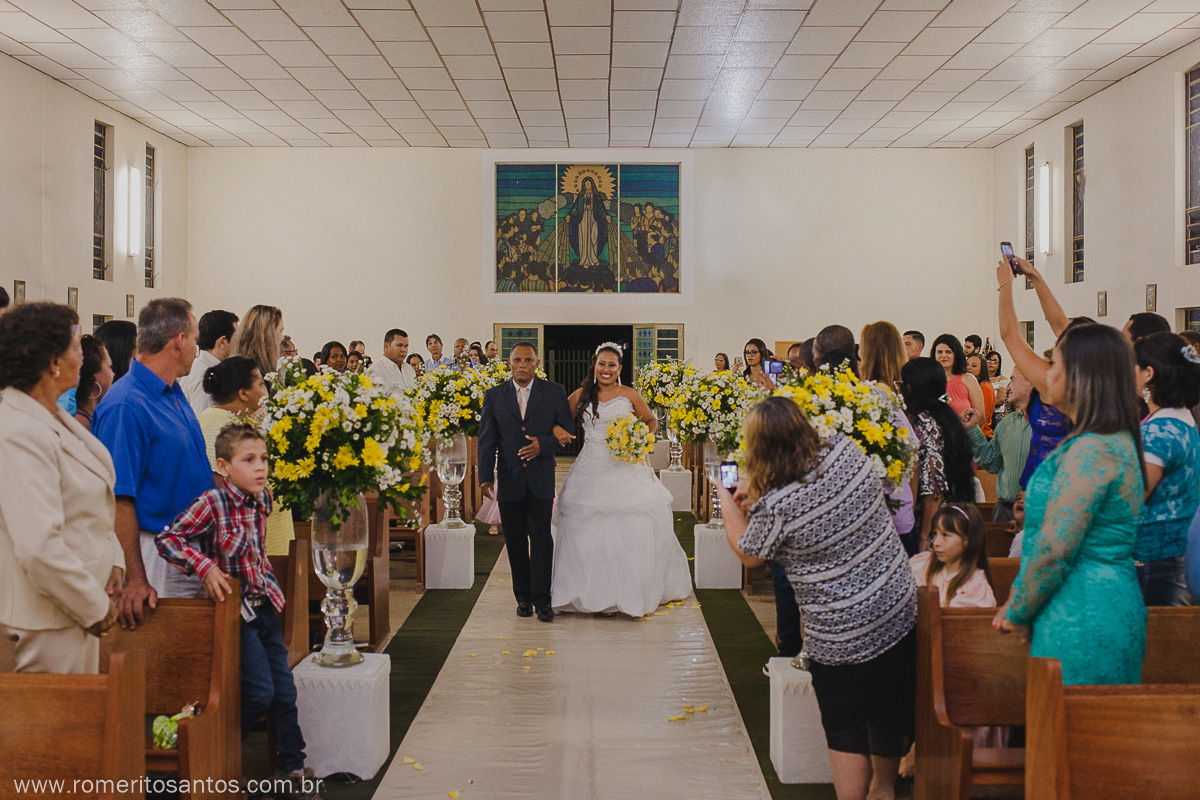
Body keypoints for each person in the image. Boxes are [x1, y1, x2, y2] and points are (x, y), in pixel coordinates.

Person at [721, 397, 917, 800]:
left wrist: (727, 500)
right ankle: (884, 788)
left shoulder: (779, 504)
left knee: (845, 725)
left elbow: (749, 552)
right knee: (886, 708)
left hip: (841, 629)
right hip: (895, 605)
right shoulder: (846, 450)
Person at [156, 424, 319, 799]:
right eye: (249, 460)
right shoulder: (212, 502)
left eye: (264, 459)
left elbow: (253, 553)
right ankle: (217, 751)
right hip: (234, 614)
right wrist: (205, 567)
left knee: (283, 689)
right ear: (224, 466)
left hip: (263, 606)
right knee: (259, 691)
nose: (261, 467)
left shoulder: (261, 499)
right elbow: (170, 538)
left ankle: (293, 768)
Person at [996, 323, 1147, 685]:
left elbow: (1055, 546)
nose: (1048, 374)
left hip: (1083, 610)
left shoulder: (1093, 449)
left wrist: (1018, 609)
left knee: (1071, 733)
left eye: (1055, 364)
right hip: (1086, 601)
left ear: (1081, 377)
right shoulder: (1105, 439)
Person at [0, 303, 122, 673]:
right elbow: (38, 546)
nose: (82, 356)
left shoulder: (53, 416)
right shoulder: (18, 430)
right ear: (53, 360)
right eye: (75, 348)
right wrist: (94, 607)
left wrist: (114, 560)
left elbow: (91, 502)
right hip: (49, 618)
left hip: (74, 608)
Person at [93, 298, 214, 628]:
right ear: (179, 340)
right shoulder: (126, 405)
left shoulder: (173, 392)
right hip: (158, 554)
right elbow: (119, 498)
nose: (195, 350)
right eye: (195, 341)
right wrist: (135, 578)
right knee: (171, 659)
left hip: (191, 548)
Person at [552, 344, 692, 618]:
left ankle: (628, 592)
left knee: (629, 525)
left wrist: (641, 439)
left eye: (612, 365)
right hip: (590, 468)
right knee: (586, 526)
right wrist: (557, 429)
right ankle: (588, 591)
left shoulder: (629, 394)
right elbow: (559, 420)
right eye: (602, 364)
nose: (606, 369)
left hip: (626, 465)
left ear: (620, 369)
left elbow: (651, 421)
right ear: (594, 365)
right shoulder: (581, 395)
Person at [478, 342, 575, 623]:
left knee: (542, 540)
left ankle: (543, 600)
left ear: (537, 363)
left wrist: (542, 445)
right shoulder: (494, 396)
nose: (522, 364)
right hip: (509, 478)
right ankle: (523, 599)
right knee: (516, 542)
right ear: (509, 363)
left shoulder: (553, 392)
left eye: (528, 360)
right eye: (517, 360)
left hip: (540, 478)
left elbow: (568, 431)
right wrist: (485, 477)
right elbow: (487, 440)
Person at [995, 256, 1078, 487]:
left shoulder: (1056, 385)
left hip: (1047, 484)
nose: (1058, 336)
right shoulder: (1099, 382)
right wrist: (1035, 276)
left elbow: (1010, 335)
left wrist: (1005, 285)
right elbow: (1059, 324)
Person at [1132, 332, 1200, 606]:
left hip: (1156, 560)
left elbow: (1133, 498)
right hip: (1178, 552)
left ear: (1148, 373)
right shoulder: (1182, 419)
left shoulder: (1159, 431)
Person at [901, 357, 977, 548]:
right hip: (953, 518)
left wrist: (924, 536)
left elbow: (934, 485)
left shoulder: (925, 422)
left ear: (912, 387)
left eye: (903, 384)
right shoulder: (945, 416)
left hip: (935, 527)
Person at [860, 322, 918, 548]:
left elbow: (910, 454)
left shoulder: (875, 394)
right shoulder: (892, 392)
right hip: (898, 506)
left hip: (884, 511)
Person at [963, 369, 1033, 523]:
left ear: (1031, 382)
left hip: (1041, 513)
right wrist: (973, 429)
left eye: (1013, 380)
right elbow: (993, 463)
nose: (1007, 387)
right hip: (1006, 511)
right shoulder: (1008, 422)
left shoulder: (1055, 425)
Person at [910, 503, 994, 607]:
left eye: (945, 535)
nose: (936, 542)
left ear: (968, 540)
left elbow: (956, 620)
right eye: (935, 534)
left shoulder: (974, 585)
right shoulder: (922, 564)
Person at [195, 357, 267, 470]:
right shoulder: (216, 424)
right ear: (243, 394)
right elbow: (218, 478)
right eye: (261, 384)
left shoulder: (237, 419)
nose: (264, 391)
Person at [181, 310, 238, 415]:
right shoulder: (206, 376)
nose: (239, 344)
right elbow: (203, 423)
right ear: (223, 342)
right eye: (236, 338)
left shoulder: (196, 366)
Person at [932, 334, 985, 419]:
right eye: (939, 352)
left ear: (956, 354)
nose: (943, 356)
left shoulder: (968, 379)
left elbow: (980, 416)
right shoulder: (929, 380)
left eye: (948, 352)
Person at [73, 335, 114, 433]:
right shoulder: (82, 424)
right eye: (109, 367)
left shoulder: (89, 417)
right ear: (96, 375)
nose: (113, 374)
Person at [231, 305, 284, 379]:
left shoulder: (237, 366)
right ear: (269, 335)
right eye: (281, 331)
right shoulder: (253, 374)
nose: (282, 338)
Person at [375, 329, 417, 397]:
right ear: (386, 346)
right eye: (399, 345)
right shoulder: (375, 371)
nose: (404, 350)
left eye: (406, 346)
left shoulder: (409, 369)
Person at [966, 353, 995, 437]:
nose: (969, 368)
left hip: (981, 434)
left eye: (974, 366)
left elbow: (983, 417)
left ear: (982, 368)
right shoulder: (972, 385)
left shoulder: (985, 387)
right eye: (967, 364)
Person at [987, 351, 1010, 425]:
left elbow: (1001, 400)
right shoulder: (981, 379)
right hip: (983, 415)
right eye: (989, 360)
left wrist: (985, 406)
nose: (991, 363)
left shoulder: (1001, 379)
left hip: (997, 415)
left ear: (999, 364)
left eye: (995, 361)